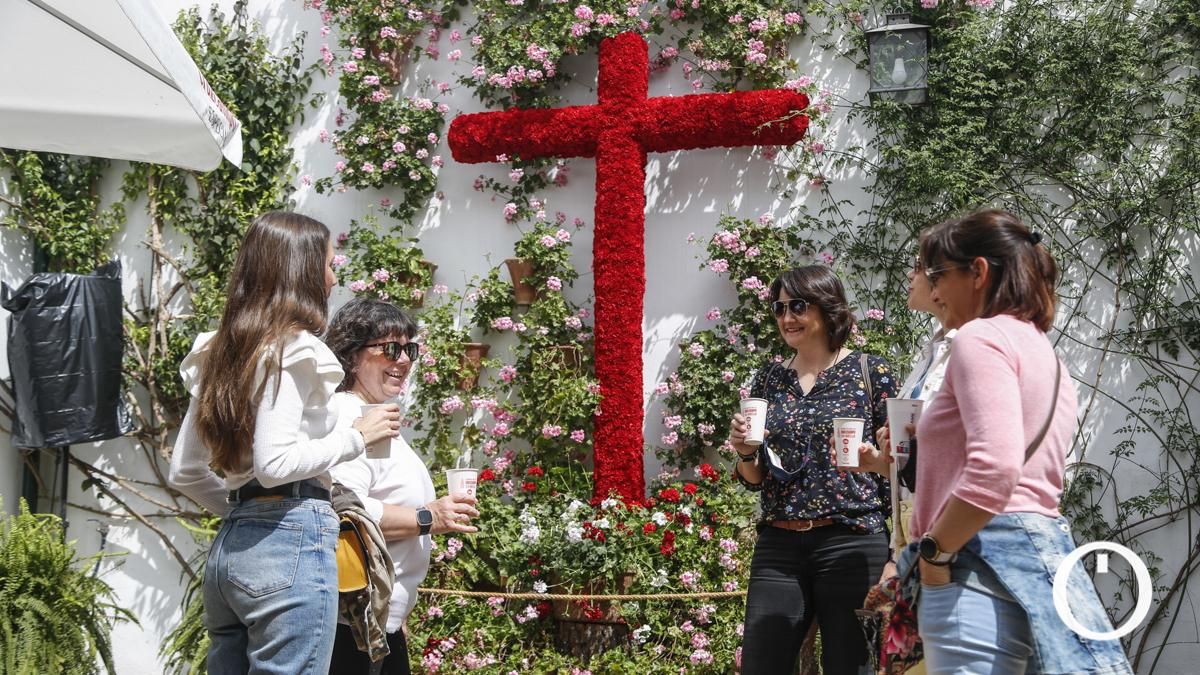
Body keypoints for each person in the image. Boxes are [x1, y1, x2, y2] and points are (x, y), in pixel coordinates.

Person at [864, 209, 1131, 674]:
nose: (936, 291)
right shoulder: (1042, 350)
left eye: (938, 275)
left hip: (974, 557)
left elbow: (995, 470)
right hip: (1037, 553)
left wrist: (934, 555)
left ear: (979, 273)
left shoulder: (979, 338)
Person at [168, 212, 401, 674]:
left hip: (231, 550)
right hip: (289, 540)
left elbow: (185, 471)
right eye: (331, 264)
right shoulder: (294, 348)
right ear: (304, 271)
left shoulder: (220, 350)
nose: (334, 277)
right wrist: (356, 437)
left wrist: (246, 511)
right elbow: (275, 464)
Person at [728, 265, 898, 675]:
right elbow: (755, 479)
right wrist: (745, 453)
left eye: (798, 306)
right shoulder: (769, 378)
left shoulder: (870, 373)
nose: (787, 317)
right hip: (780, 543)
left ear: (826, 308)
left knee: (850, 666)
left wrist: (874, 460)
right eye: (779, 307)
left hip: (852, 538)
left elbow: (902, 466)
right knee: (761, 665)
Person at [324, 298, 480, 675]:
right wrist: (429, 516)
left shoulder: (374, 416)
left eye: (409, 348)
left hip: (376, 623)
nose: (405, 359)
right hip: (351, 629)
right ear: (352, 356)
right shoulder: (352, 417)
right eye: (390, 348)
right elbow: (345, 511)